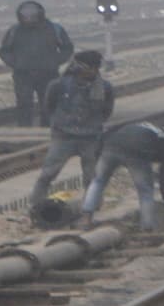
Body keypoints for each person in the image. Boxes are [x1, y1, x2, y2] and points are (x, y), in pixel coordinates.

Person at [30, 50, 115, 204]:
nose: (92, 72)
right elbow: (49, 106)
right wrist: (59, 123)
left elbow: (106, 111)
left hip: (91, 138)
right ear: (77, 67)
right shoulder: (59, 85)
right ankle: (36, 203)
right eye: (88, 68)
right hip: (63, 136)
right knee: (48, 173)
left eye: (94, 68)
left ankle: (91, 206)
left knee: (92, 176)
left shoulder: (105, 88)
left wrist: (94, 125)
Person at [81, 121, 164, 230]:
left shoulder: (148, 127)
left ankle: (86, 220)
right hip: (137, 154)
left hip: (111, 147)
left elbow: (108, 132)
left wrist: (98, 154)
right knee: (145, 190)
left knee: (98, 181)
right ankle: (147, 226)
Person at [0, 0, 74, 127]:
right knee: (24, 104)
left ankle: (47, 129)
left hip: (48, 74)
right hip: (23, 74)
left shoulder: (54, 29)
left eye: (32, 13)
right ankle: (24, 129)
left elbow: (67, 48)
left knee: (47, 104)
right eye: (25, 14)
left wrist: (55, 61)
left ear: (40, 13)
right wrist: (16, 64)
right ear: (20, 15)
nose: (28, 17)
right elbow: (4, 50)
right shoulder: (14, 31)